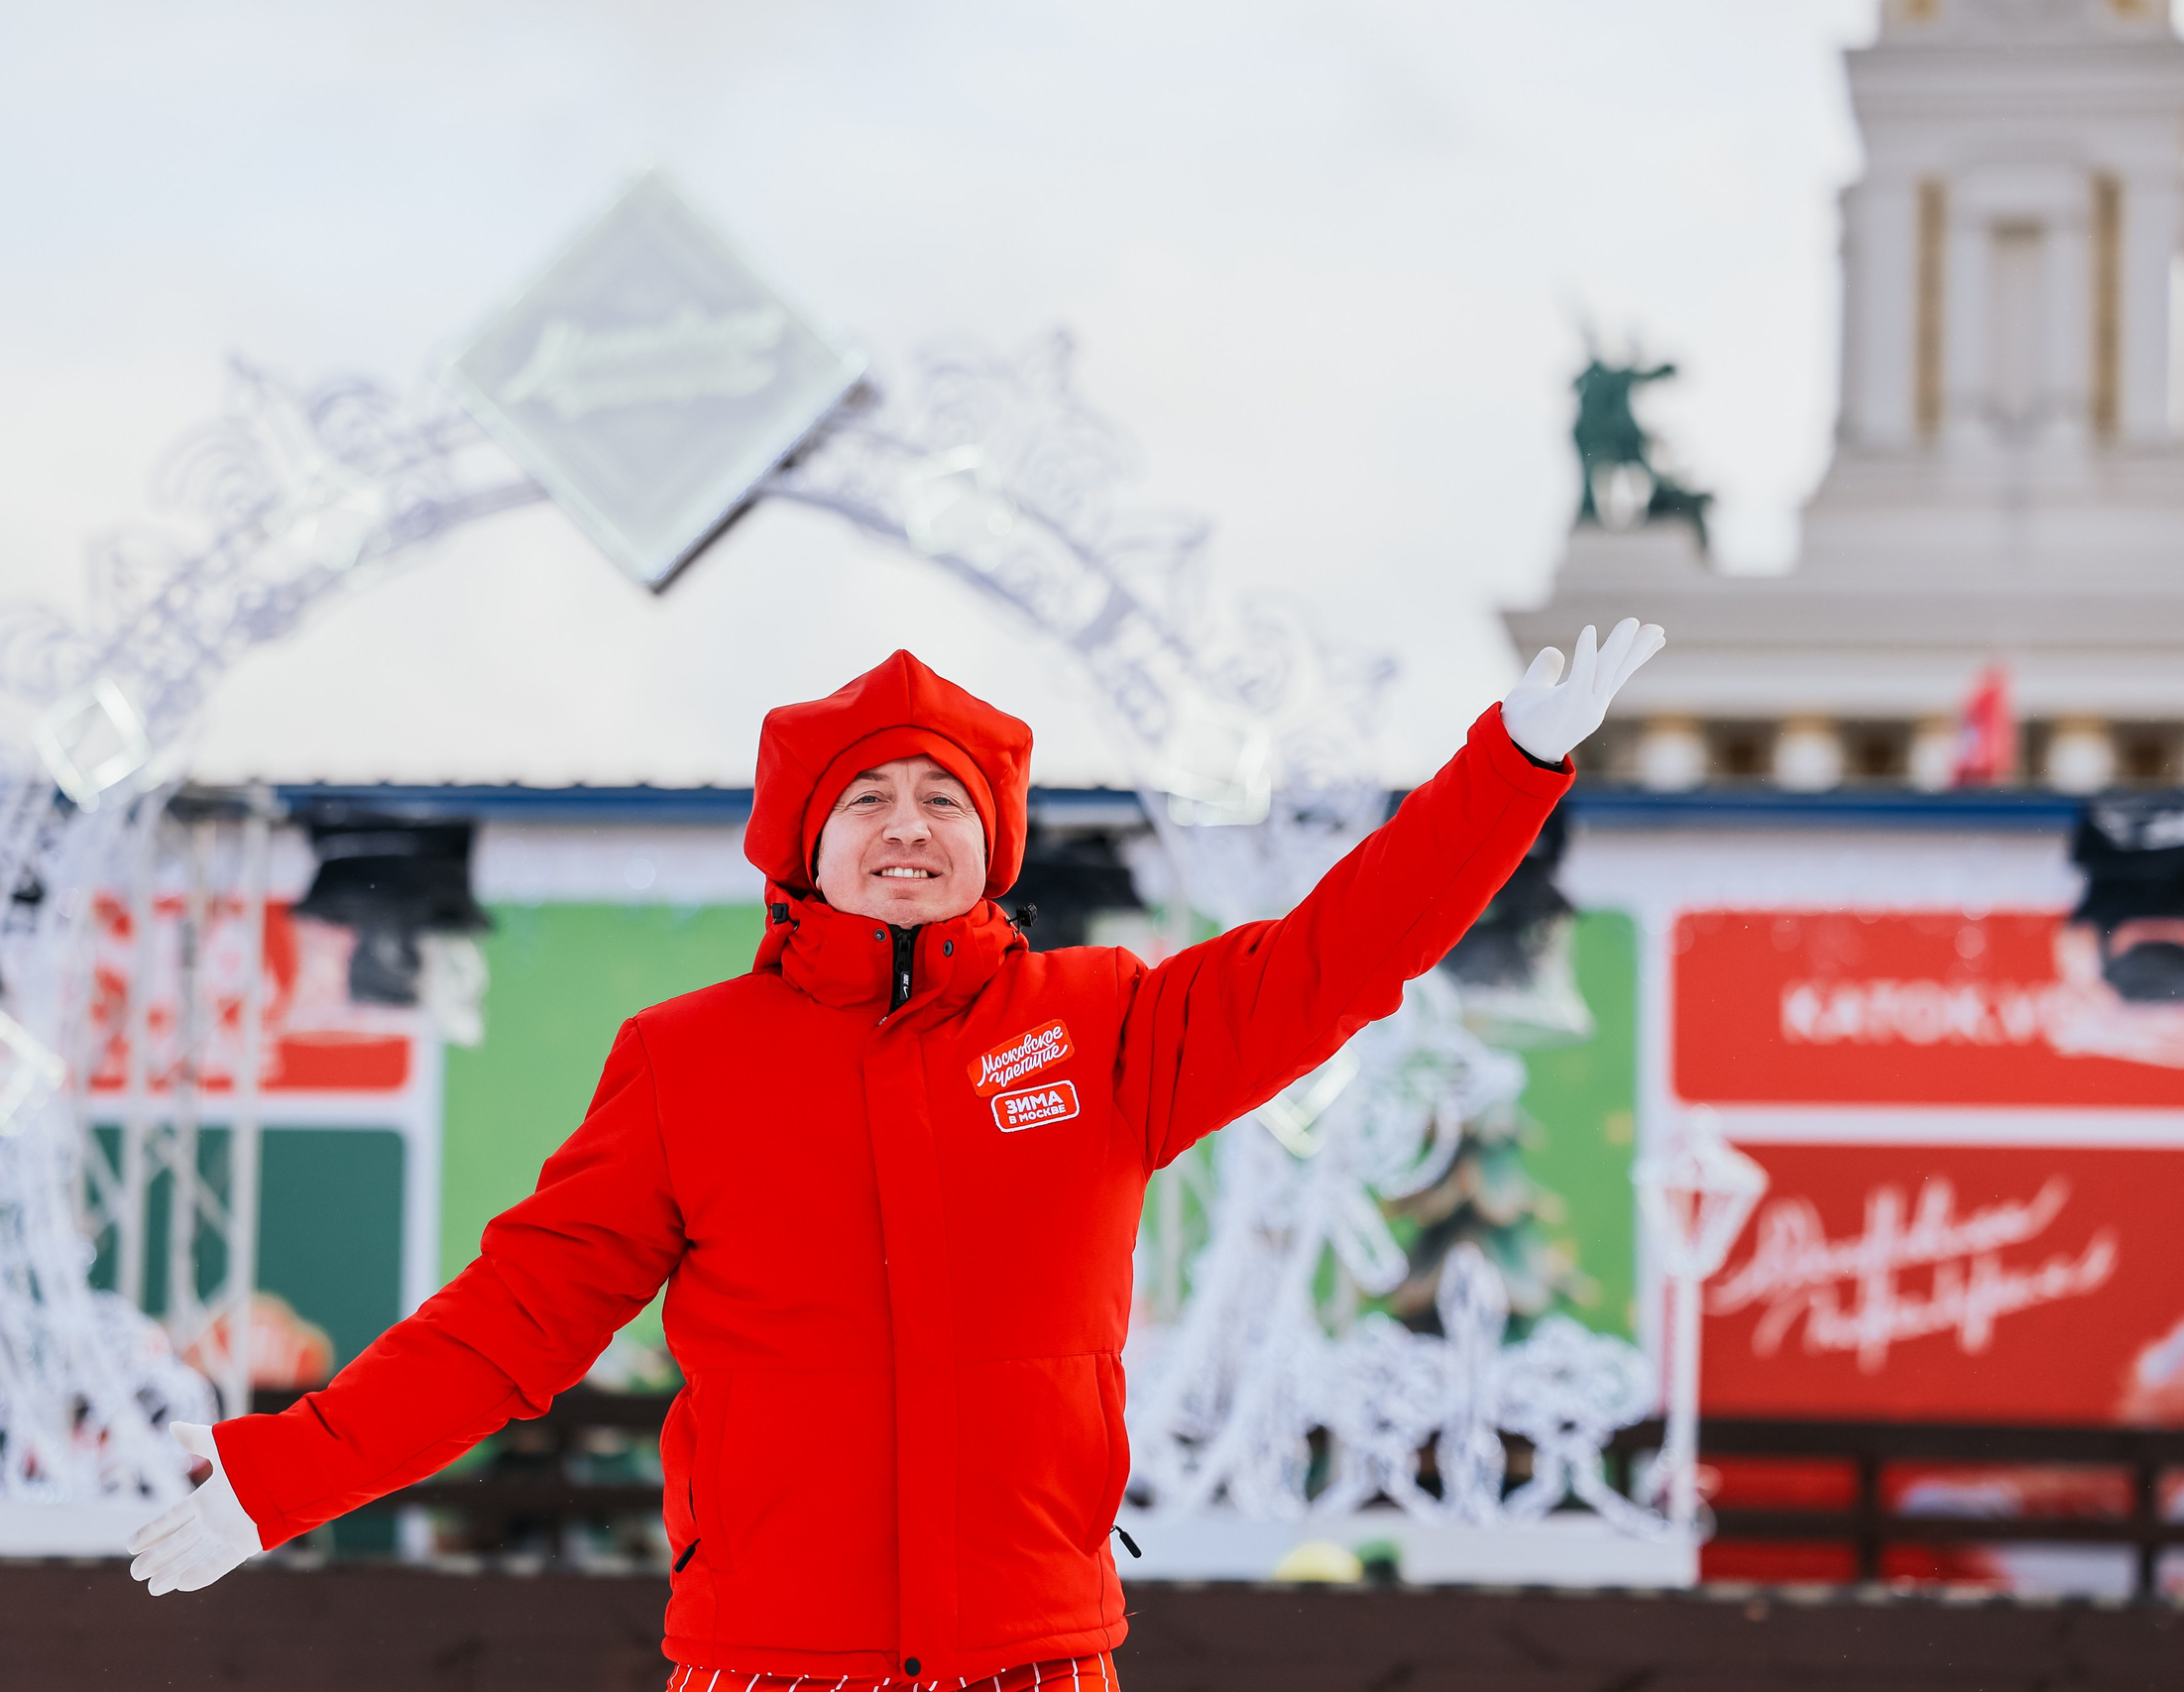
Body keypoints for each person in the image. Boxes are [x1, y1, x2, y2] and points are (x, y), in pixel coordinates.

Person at [129, 624, 1665, 1690]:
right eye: (866, 795)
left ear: (995, 842)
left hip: (1033, 1657)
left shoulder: (1102, 1031)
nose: (907, 822)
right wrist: (278, 1485)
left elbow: (1340, 957)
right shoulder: (689, 1063)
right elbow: (512, 1321)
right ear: (801, 845)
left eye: (944, 795)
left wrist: (1508, 767)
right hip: (768, 1664)